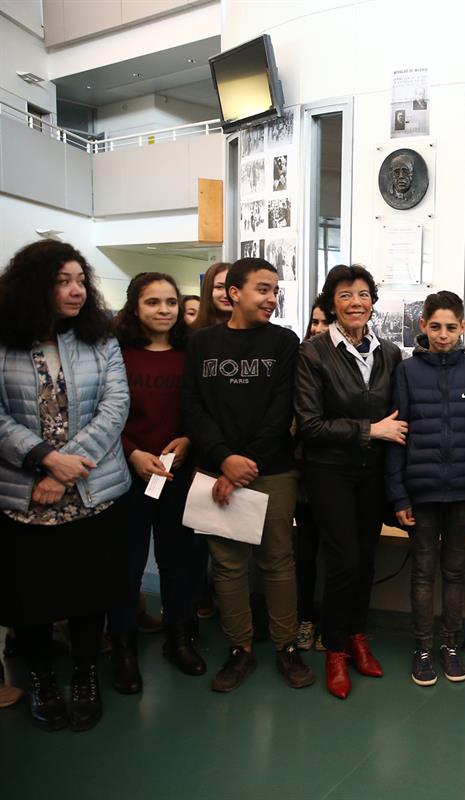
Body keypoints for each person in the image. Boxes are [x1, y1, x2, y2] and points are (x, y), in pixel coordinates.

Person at [0, 240, 131, 732]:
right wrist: (44, 461)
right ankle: (41, 680)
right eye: (63, 281)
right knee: (29, 600)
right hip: (22, 494)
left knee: (88, 594)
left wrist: (68, 466)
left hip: (92, 492)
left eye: (80, 280)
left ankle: (83, 678)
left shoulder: (101, 339)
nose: (76, 290)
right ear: (35, 287)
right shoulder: (5, 339)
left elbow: (115, 407)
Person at [183, 257, 313, 693]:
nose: (271, 299)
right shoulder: (202, 344)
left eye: (275, 290)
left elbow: (282, 410)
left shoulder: (283, 342)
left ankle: (286, 646)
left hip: (271, 471)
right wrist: (224, 459)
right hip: (215, 470)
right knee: (228, 565)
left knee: (278, 562)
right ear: (233, 292)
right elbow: (194, 408)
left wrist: (244, 464)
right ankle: (240, 650)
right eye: (262, 289)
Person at [295, 265, 405, 699]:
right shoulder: (313, 353)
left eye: (363, 294)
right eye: (345, 295)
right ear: (331, 303)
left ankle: (358, 635)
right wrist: (369, 430)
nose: (356, 302)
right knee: (342, 561)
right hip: (329, 471)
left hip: (373, 472)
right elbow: (309, 424)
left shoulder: (390, 353)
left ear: (373, 301)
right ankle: (335, 649)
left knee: (366, 557)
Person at [385, 291, 465, 687]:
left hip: (464, 493)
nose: (444, 335)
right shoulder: (406, 372)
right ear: (423, 327)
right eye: (436, 327)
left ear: (464, 327)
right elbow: (396, 434)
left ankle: (450, 644)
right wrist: (398, 494)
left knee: (455, 572)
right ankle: (423, 648)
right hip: (421, 493)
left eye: (451, 327)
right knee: (422, 573)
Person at [108, 273, 207, 695]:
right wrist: (133, 453)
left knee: (177, 563)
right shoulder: (118, 354)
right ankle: (124, 650)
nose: (164, 310)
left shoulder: (191, 353)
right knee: (127, 567)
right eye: (153, 302)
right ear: (136, 307)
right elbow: (105, 414)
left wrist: (188, 440)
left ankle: (177, 639)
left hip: (177, 474)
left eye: (170, 302)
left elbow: (202, 409)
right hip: (128, 475)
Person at [294, 300, 331, 652]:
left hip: (337, 475)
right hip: (304, 479)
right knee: (304, 554)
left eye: (325, 322)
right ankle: (305, 618)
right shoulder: (300, 360)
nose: (318, 328)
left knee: (338, 556)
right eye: (314, 321)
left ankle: (331, 625)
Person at [192, 262, 233, 329]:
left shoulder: (252, 331)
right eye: (219, 287)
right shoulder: (191, 333)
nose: (226, 295)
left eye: (231, 287)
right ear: (208, 289)